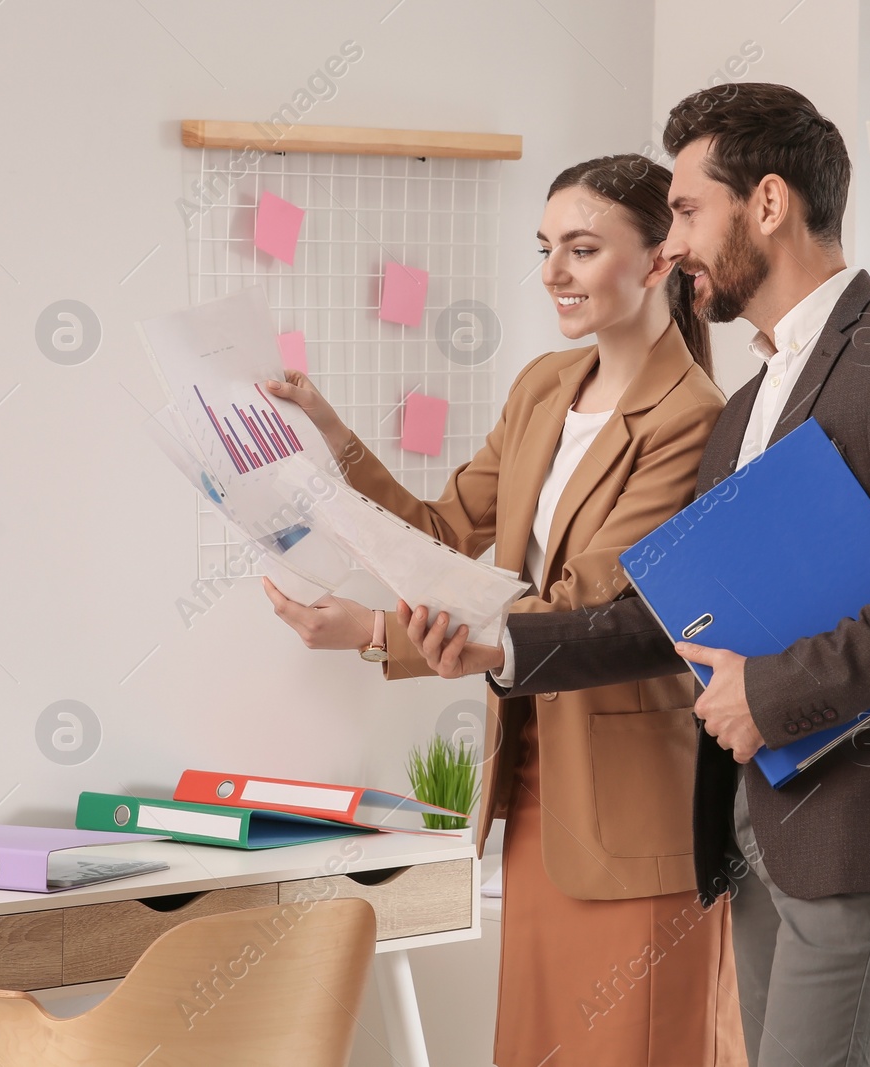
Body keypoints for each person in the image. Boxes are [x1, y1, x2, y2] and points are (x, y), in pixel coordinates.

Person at [394, 83, 870, 1067]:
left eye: (690, 211)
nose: (676, 243)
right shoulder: (748, 407)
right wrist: (503, 644)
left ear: (770, 204)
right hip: (763, 824)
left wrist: (772, 692)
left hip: (866, 826)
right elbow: (672, 613)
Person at [262, 154, 744, 1067]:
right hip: (535, 795)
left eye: (583, 248)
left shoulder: (694, 417)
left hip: (635, 824)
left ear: (656, 263)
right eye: (547, 247)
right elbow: (443, 534)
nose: (554, 272)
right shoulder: (542, 389)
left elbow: (589, 606)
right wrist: (330, 436)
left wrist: (372, 632)